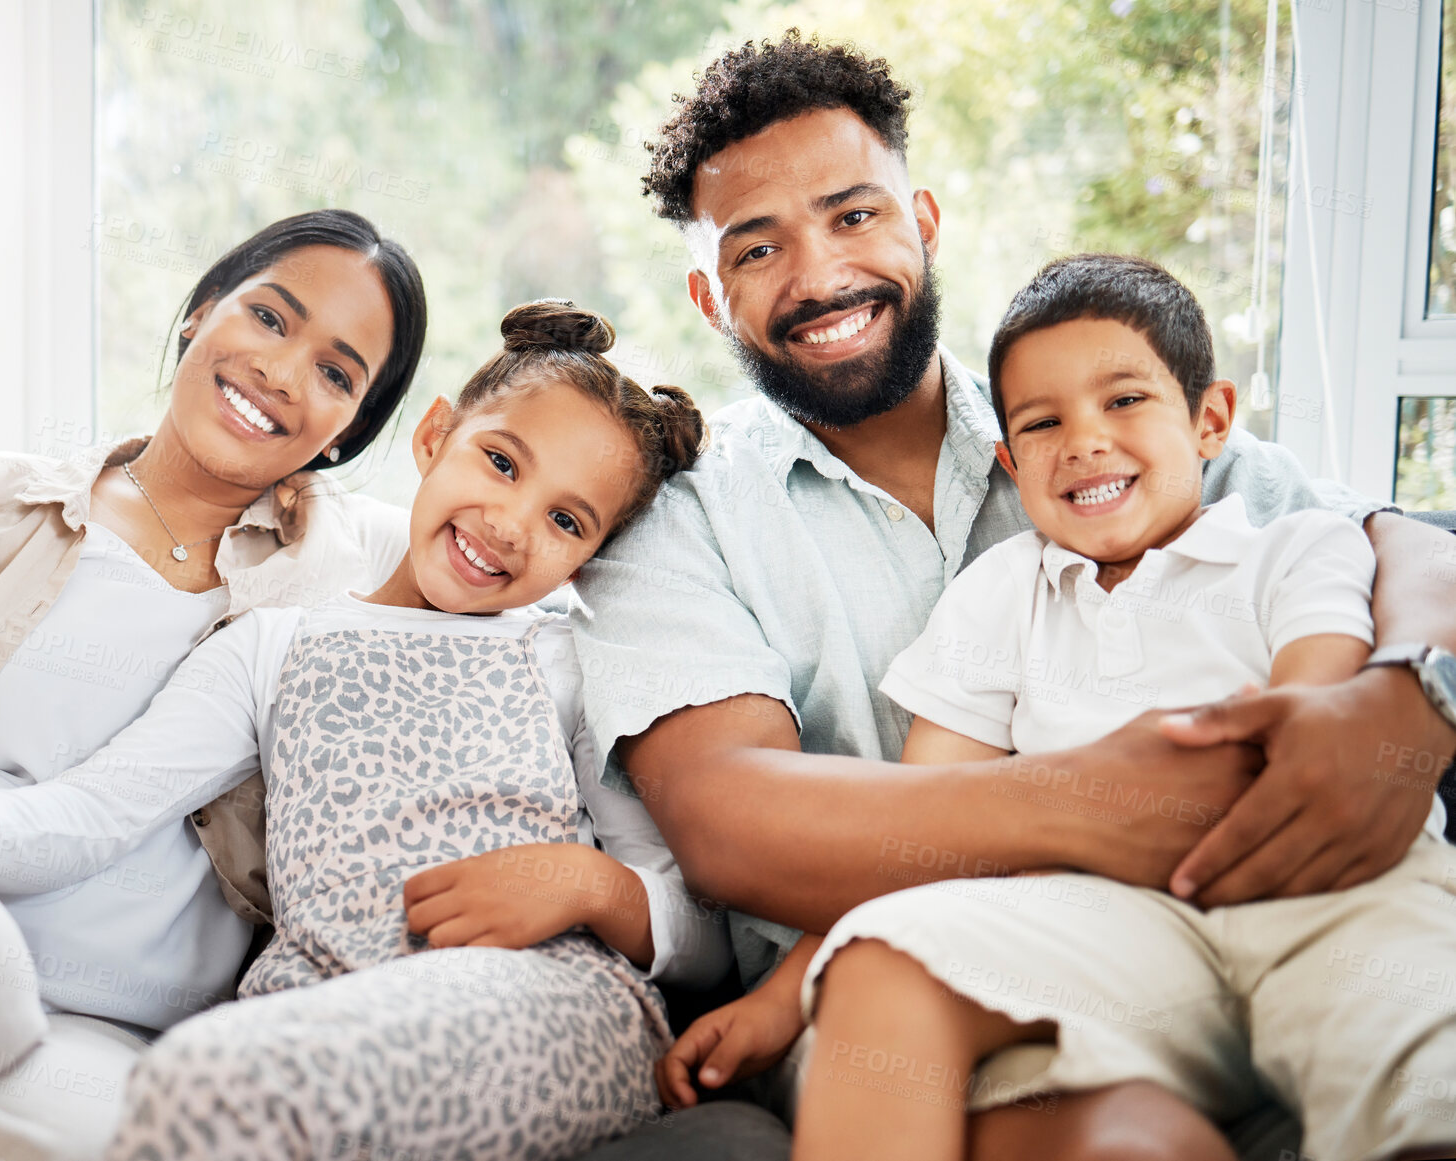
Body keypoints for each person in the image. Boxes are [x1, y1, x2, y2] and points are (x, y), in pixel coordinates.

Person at [571, 31, 1456, 1161]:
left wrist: (1410, 697)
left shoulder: (1091, 412)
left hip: (1243, 925)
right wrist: (1106, 803)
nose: (821, 275)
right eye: (758, 249)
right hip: (951, 968)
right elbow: (730, 823)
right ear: (708, 294)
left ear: (923, 222)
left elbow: (1399, 546)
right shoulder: (681, 519)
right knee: (1116, 1139)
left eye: (854, 216)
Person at [0, 300, 730, 1160]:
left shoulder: (563, 659)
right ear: (433, 438)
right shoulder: (276, 645)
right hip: (309, 1007)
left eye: (568, 521)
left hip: (551, 1003)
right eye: (499, 462)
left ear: (590, 556)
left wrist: (587, 884)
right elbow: (102, 808)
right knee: (197, 1079)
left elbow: (705, 931)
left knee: (201, 1085)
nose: (510, 523)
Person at [0, 208, 428, 1161]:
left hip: (108, 1035)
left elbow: (531, 522)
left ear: (347, 433)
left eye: (337, 372)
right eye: (270, 317)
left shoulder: (355, 570)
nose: (280, 370)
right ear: (200, 312)